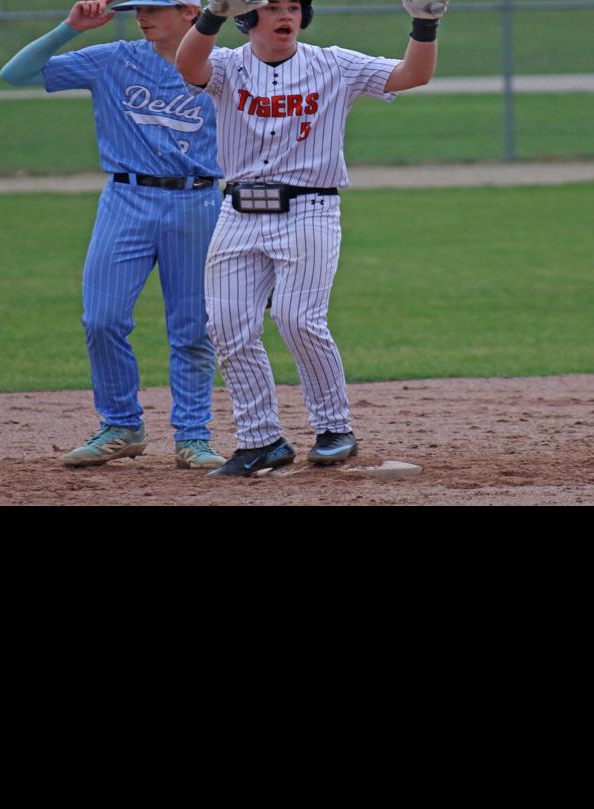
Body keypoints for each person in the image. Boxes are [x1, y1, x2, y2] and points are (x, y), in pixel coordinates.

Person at [175, 0, 445, 476]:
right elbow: (187, 65)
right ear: (247, 17)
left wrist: (425, 24)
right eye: (273, 7)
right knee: (229, 327)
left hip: (309, 209)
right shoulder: (227, 65)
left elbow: (411, 75)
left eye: (294, 7)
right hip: (238, 212)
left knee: (298, 319)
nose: (286, 15)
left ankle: (334, 428)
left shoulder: (333, 64)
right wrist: (213, 13)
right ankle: (260, 441)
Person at [2, 0, 228, 470]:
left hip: (198, 201)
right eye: (137, 7)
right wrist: (70, 28)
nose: (142, 16)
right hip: (126, 198)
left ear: (190, 11)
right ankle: (122, 425)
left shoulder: (221, 65)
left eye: (154, 7)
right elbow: (16, 73)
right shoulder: (113, 58)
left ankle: (192, 435)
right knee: (102, 319)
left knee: (192, 328)